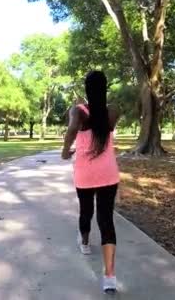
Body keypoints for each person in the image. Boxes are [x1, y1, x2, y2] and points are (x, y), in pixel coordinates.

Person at [61, 70, 120, 293]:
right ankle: (110, 277)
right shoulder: (113, 111)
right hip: (108, 174)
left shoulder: (78, 111)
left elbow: (72, 129)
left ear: (86, 88)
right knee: (107, 221)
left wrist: (66, 152)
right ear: (104, 88)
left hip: (85, 174)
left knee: (86, 211)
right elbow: (102, 122)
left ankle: (85, 244)